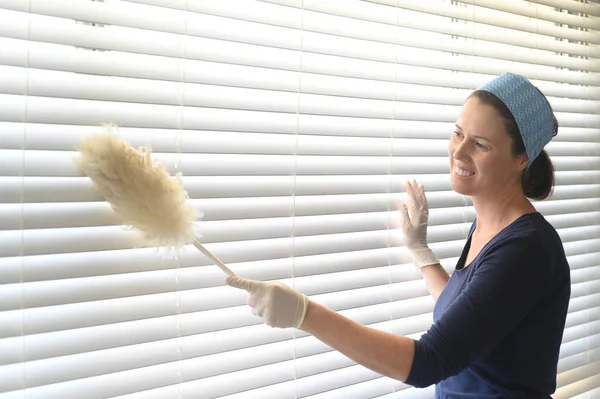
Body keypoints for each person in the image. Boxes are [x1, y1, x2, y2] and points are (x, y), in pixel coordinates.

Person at [225, 72, 571, 398]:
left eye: (480, 144)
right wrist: (420, 250)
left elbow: (429, 361)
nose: (459, 152)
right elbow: (468, 315)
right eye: (457, 133)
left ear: (522, 158)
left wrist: (305, 313)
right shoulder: (490, 227)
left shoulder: (526, 249)